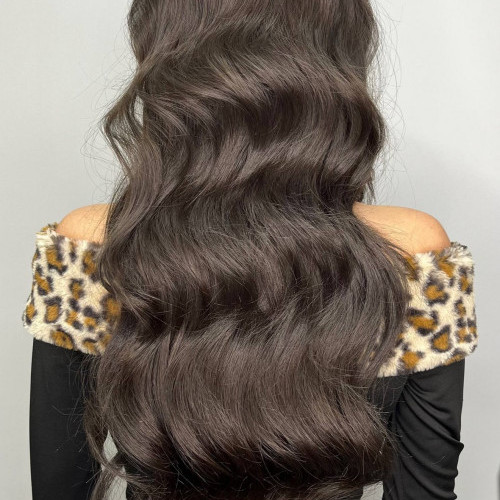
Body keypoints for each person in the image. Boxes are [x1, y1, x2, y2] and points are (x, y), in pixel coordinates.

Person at [24, 1, 478, 499]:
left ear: (164, 59)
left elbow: (58, 489)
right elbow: (423, 491)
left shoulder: (91, 245)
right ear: (339, 61)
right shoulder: (411, 252)